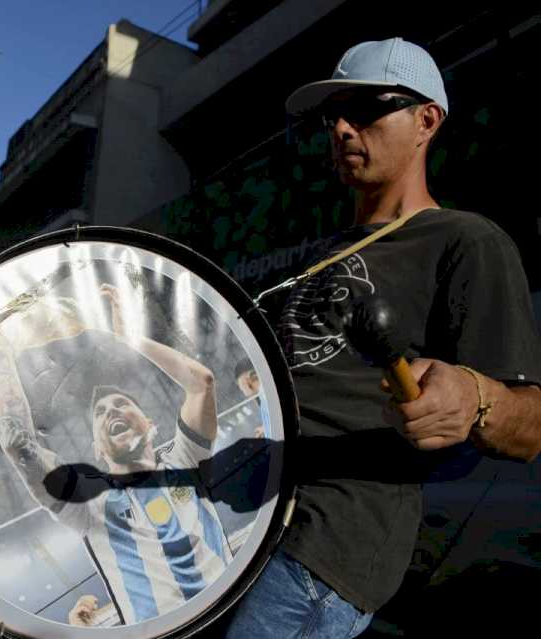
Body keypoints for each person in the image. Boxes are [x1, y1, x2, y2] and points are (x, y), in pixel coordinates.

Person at [222, 37, 541, 638]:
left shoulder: (466, 240)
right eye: (331, 116)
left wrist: (475, 396)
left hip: (329, 542)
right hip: (243, 517)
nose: (341, 128)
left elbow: (531, 427)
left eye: (366, 109)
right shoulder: (322, 255)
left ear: (426, 120)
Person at [0, 283, 233, 626]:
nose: (112, 411)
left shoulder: (185, 460)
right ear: (97, 447)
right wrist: (2, 356)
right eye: (100, 413)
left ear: (150, 424)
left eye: (122, 404)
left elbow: (201, 382)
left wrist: (128, 338)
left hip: (240, 618)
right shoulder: (89, 504)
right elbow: (19, 444)